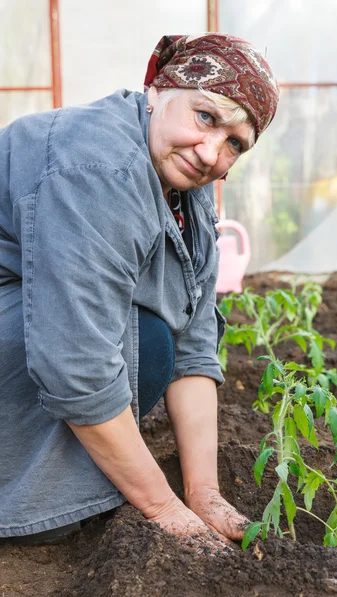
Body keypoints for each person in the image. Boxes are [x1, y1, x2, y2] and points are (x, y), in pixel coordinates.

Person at [0, 33, 279, 547]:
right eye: (205, 117)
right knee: (141, 344)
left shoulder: (184, 188)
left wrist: (204, 494)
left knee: (157, 344)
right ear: (158, 91)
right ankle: (28, 504)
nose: (211, 152)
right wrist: (163, 508)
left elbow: (195, 343)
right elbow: (75, 363)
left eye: (235, 143)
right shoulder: (97, 168)